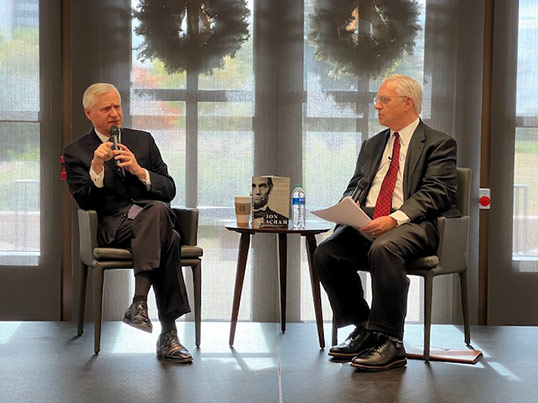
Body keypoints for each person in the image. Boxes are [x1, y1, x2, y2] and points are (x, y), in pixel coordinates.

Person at [314, 74, 459, 372]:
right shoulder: (372, 144)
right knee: (327, 253)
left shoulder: (439, 143)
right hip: (369, 223)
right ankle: (366, 327)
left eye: (384, 100)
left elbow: (437, 192)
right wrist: (347, 210)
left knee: (384, 248)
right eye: (376, 100)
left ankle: (391, 341)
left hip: (414, 225)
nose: (376, 106)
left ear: (408, 103)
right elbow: (355, 185)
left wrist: (393, 219)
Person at [64, 83, 192, 364]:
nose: (114, 113)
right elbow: (84, 201)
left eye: (117, 106)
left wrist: (139, 170)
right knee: (166, 232)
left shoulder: (143, 141)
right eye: (105, 108)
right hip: (115, 226)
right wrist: (96, 168)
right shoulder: (76, 152)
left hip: (150, 220)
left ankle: (140, 304)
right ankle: (168, 335)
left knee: (159, 218)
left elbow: (169, 189)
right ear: (89, 113)